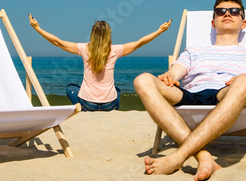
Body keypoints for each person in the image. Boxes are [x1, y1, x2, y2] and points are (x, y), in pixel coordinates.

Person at [133, 0, 246, 181]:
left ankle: (178, 156)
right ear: (213, 22)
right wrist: (169, 77)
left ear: (243, 23)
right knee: (142, 80)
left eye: (234, 11)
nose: (227, 14)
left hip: (228, 95)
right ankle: (203, 155)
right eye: (220, 11)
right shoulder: (195, 50)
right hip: (192, 94)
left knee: (245, 80)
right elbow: (176, 72)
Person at [29, 14, 172, 111]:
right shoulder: (115, 50)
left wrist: (37, 28)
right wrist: (160, 30)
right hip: (109, 105)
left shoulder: (85, 49)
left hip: (87, 104)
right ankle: (114, 108)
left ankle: (80, 108)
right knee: (117, 90)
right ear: (109, 35)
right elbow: (138, 43)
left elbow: (58, 42)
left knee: (70, 88)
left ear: (93, 34)